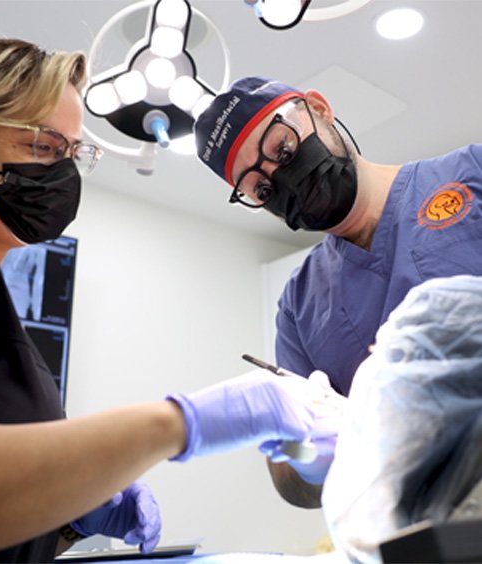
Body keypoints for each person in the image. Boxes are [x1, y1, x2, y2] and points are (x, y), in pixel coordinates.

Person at [0, 40, 342, 563]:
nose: (61, 172)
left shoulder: (2, 325)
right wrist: (179, 422)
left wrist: (67, 516)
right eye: (41, 146)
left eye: (73, 152)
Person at [194, 76, 482, 508]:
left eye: (283, 150)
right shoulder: (298, 305)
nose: (285, 179)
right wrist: (308, 448)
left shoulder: (471, 173)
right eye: (263, 189)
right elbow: (295, 485)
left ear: (320, 109)